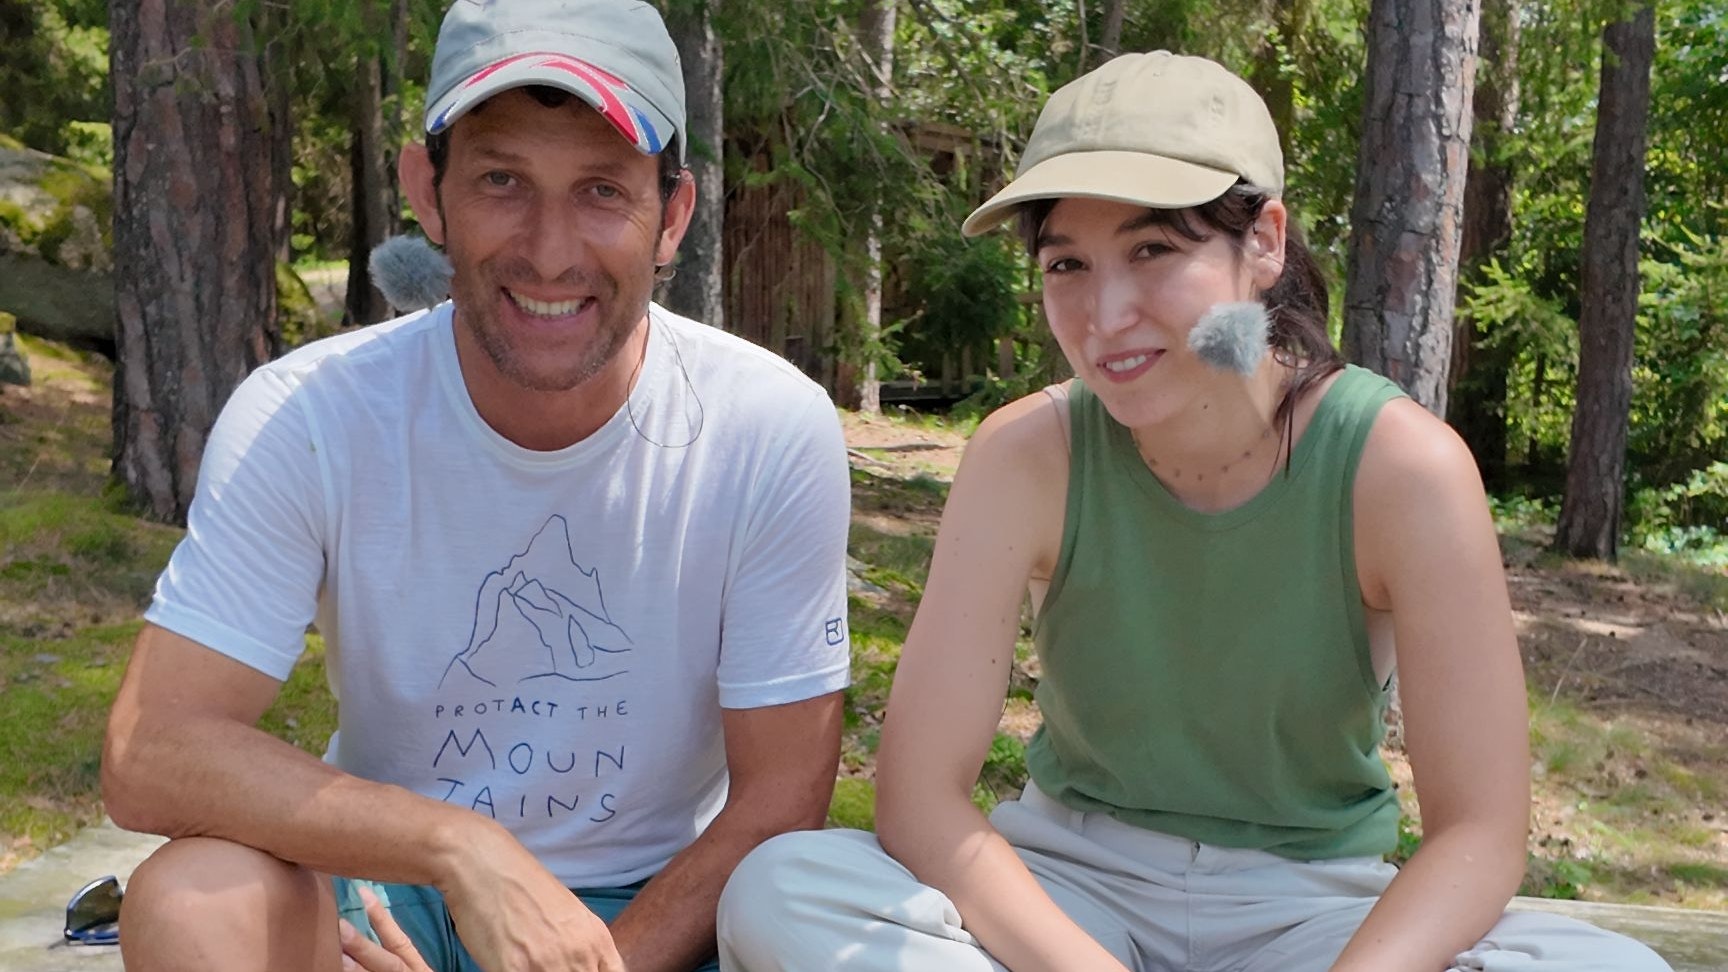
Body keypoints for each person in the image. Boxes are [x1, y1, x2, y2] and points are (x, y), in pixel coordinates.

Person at [714, 51, 1673, 972]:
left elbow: (1480, 831)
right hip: (1070, 887)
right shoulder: (1027, 456)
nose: (1105, 315)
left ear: (1264, 242)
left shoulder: (1400, 469)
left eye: (1154, 251)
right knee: (783, 889)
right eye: (1067, 265)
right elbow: (922, 798)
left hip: (1312, 911)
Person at [101, 2, 852, 970]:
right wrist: (462, 848)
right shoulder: (311, 415)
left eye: (602, 191)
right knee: (193, 902)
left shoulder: (765, 425)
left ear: (671, 217)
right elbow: (150, 750)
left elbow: (781, 800)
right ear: (429, 191)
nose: (550, 251)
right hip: (393, 893)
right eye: (502, 181)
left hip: (662, 909)